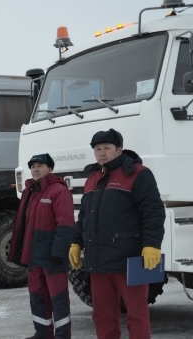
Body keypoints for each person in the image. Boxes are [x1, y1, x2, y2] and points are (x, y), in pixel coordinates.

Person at [69, 128, 165, 339]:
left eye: (107, 148)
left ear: (119, 149)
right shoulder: (92, 178)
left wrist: (152, 245)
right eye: (97, 149)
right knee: (103, 316)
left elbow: (154, 212)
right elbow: (84, 215)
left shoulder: (138, 174)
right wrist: (76, 243)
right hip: (99, 261)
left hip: (131, 260)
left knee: (137, 315)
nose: (102, 153)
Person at [8, 154, 74, 339]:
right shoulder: (30, 191)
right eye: (33, 166)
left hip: (52, 257)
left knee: (58, 299)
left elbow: (66, 224)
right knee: (37, 297)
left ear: (50, 169)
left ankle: (63, 335)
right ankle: (42, 334)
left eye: (41, 165)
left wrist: (58, 252)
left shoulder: (58, 191)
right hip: (34, 256)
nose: (36, 169)